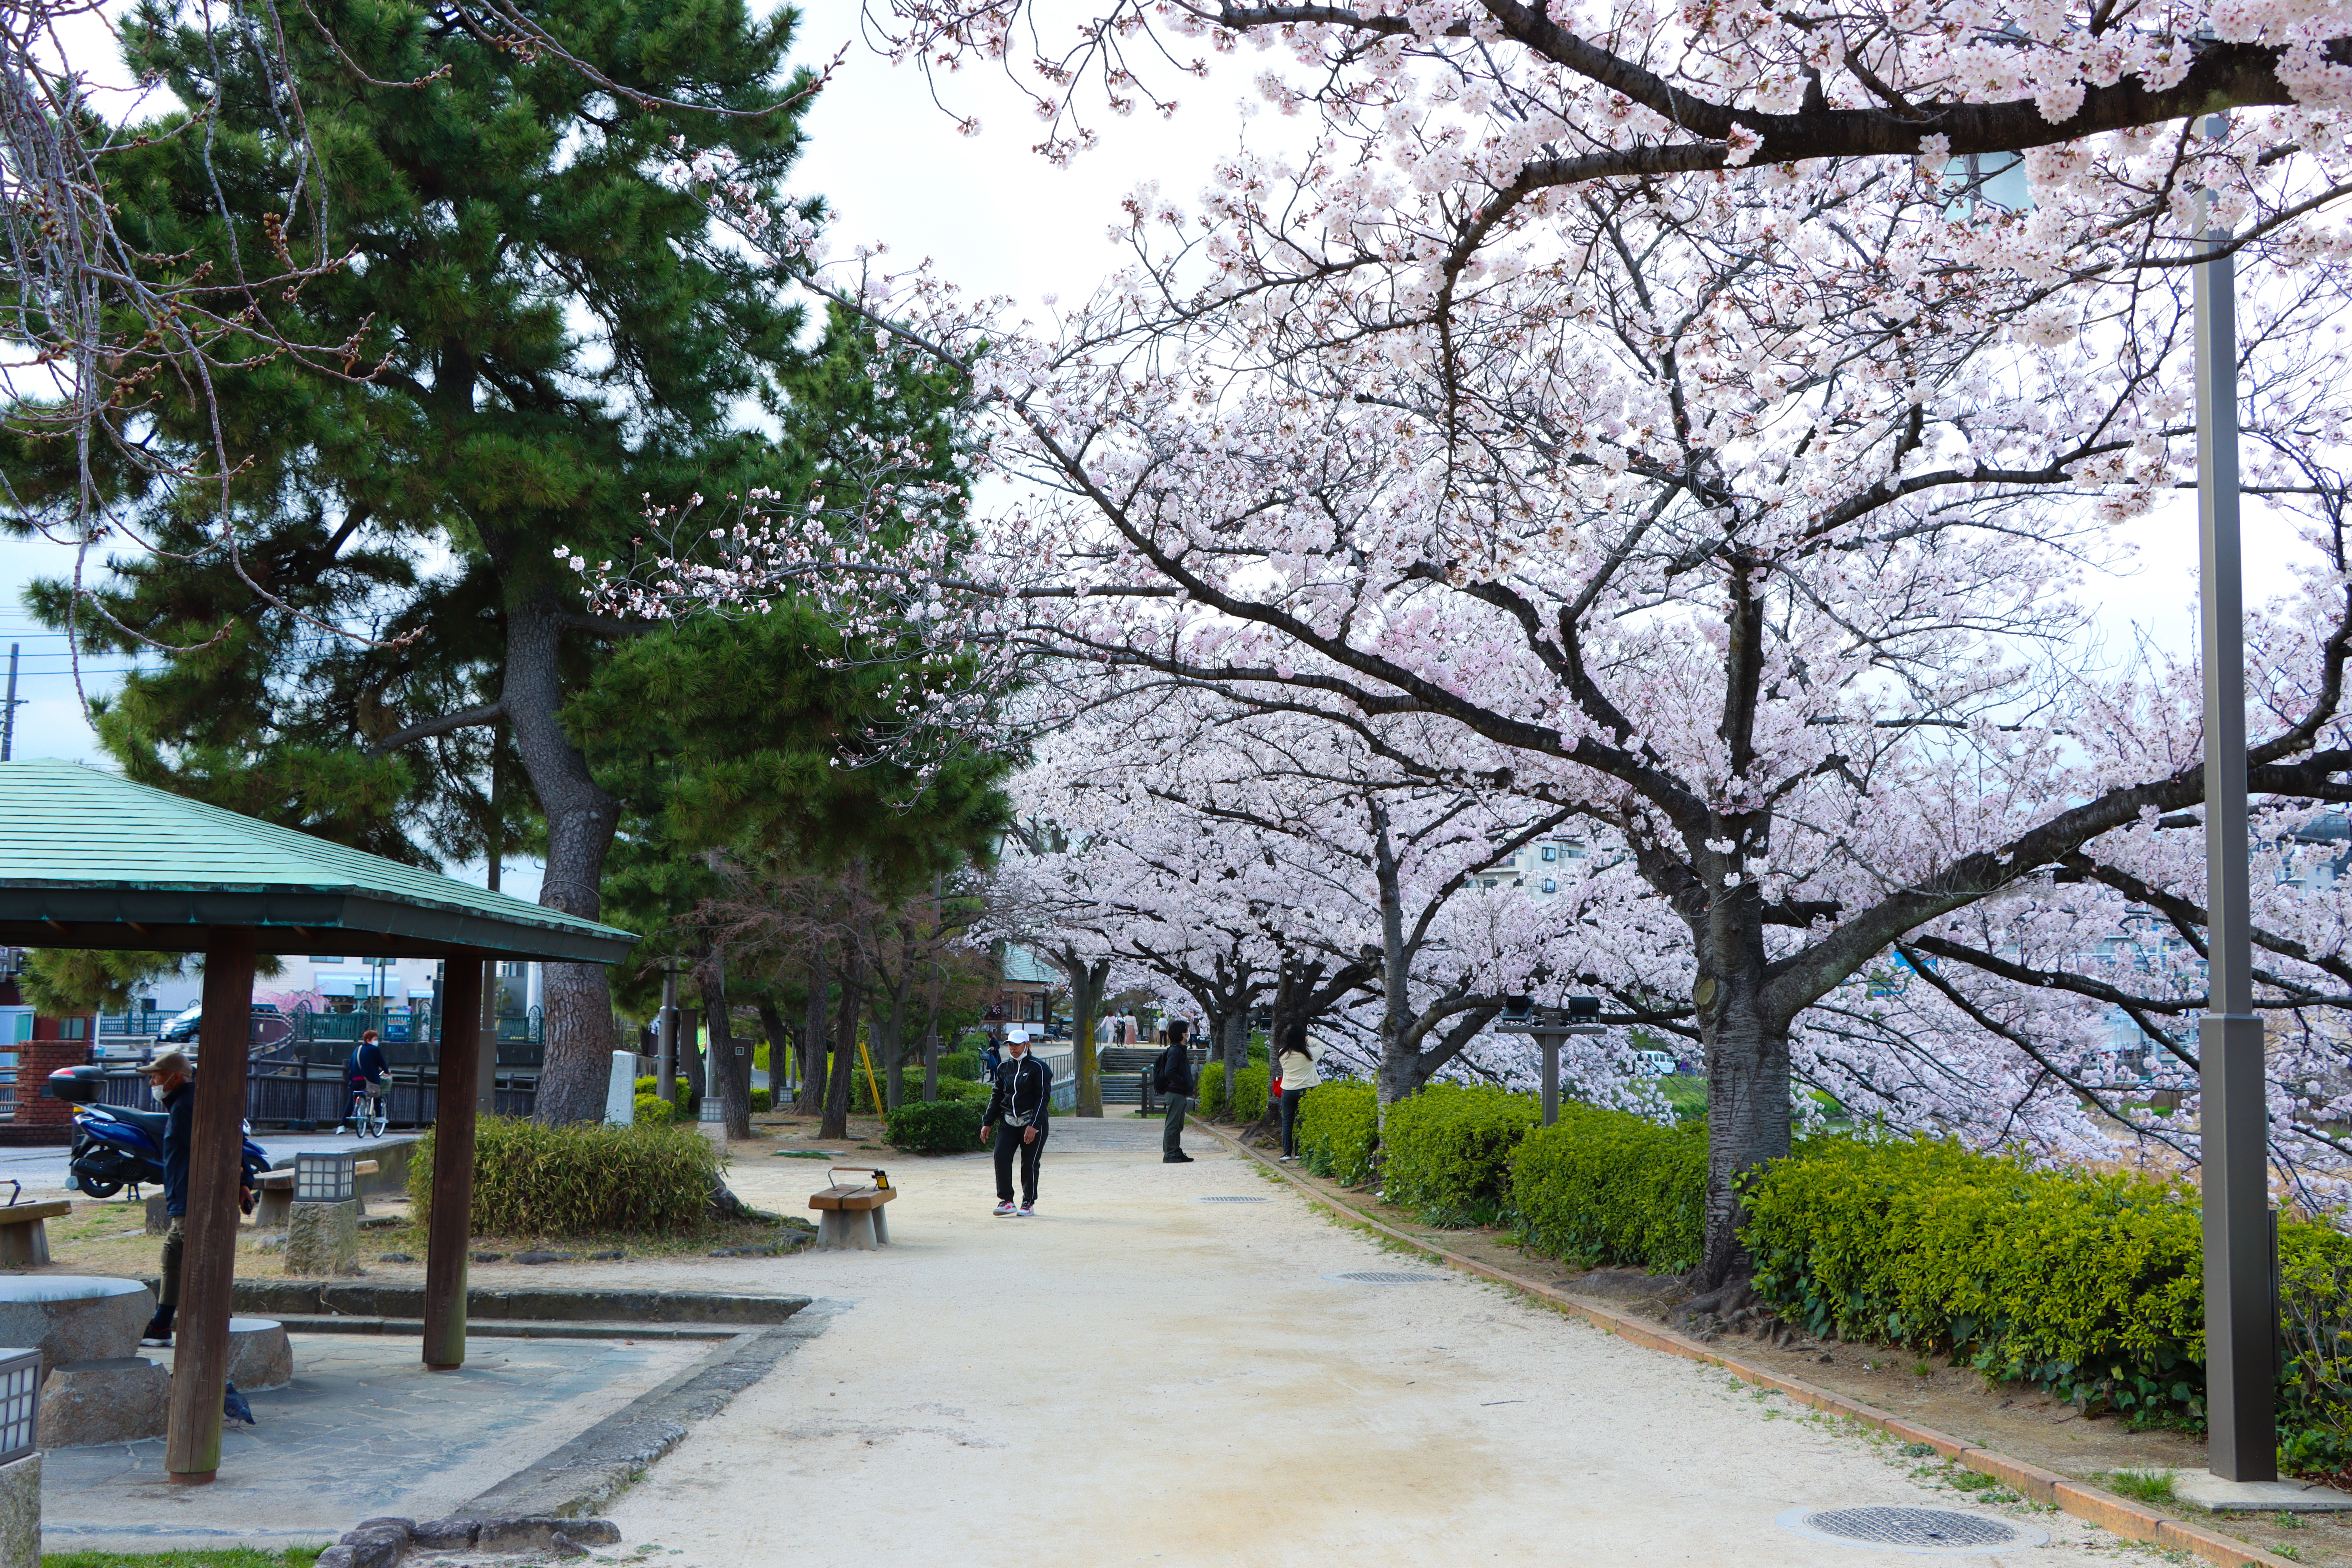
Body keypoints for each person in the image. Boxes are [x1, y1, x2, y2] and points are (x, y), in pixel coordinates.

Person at [139, 1050, 252, 1347]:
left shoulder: (187, 1106)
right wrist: (243, 1183)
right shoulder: (185, 1103)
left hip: (195, 1198)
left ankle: (215, 1332)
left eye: (156, 1075)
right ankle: (162, 1325)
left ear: (175, 1078)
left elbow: (225, 1147)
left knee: (202, 1265)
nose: (152, 1081)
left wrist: (242, 1182)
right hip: (188, 1197)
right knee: (175, 1256)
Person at [980, 1029, 1052, 1216]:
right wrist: (987, 1122)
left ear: (1026, 1045)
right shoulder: (1004, 1068)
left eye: (1017, 1045)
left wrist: (1034, 1125)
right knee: (1001, 1158)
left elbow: (1042, 1098)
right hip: (1008, 1121)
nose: (1013, 1048)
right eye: (1011, 1045)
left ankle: (1028, 1202)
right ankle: (1007, 1201)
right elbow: (997, 1097)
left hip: (1032, 1123)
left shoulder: (1040, 1068)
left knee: (1029, 1163)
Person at [1274, 1022, 1326, 1162]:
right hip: (1306, 1090)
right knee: (1302, 1121)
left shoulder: (1282, 1054)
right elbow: (1321, 1047)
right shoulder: (1308, 1054)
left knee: (1287, 1123)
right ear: (1302, 1038)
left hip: (1288, 1090)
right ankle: (1299, 1152)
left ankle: (1286, 1153)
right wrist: (1309, 1039)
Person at [1152, 1020, 1196, 1164]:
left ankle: (1176, 1151)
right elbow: (1170, 1071)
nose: (1188, 1034)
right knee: (1172, 1125)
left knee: (1178, 1125)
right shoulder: (1175, 1051)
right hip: (1176, 1092)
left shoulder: (1179, 1050)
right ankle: (1170, 1153)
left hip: (1180, 1093)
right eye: (1187, 1032)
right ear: (1183, 1034)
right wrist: (1183, 1081)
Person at [345, 1028, 388, 1132]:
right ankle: (378, 1116)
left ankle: (342, 1126)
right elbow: (382, 1063)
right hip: (369, 1080)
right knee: (377, 1093)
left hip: (355, 1080)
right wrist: (387, 1071)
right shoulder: (374, 1050)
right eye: (375, 1039)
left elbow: (350, 1064)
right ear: (369, 1040)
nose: (377, 1041)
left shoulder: (358, 1049)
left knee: (351, 1101)